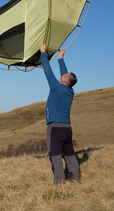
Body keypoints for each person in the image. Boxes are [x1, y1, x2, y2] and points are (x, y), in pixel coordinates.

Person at [40, 44, 80, 185]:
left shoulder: (56, 88)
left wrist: (43, 53)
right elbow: (66, 77)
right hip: (67, 128)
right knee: (69, 155)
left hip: (55, 128)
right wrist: (61, 59)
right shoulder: (70, 91)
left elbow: (47, 71)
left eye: (65, 75)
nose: (63, 74)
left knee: (55, 156)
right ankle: (76, 180)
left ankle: (58, 184)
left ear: (64, 81)